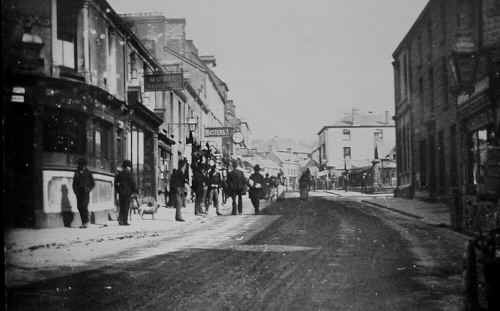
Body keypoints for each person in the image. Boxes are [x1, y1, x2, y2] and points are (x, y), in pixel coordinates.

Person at [72, 158, 95, 228]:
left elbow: (93, 183)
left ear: (85, 165)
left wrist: (88, 189)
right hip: (79, 193)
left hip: (85, 192)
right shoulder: (77, 172)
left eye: (83, 165)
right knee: (79, 207)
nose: (81, 167)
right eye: (80, 165)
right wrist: (75, 191)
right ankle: (84, 222)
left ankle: (86, 222)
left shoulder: (88, 172)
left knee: (84, 206)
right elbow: (74, 183)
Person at [115, 160, 137, 226]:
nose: (130, 168)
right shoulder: (129, 174)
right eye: (130, 166)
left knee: (121, 207)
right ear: (128, 167)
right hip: (127, 193)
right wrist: (135, 191)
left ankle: (120, 220)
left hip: (121, 193)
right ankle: (124, 221)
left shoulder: (120, 174)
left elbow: (115, 183)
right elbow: (133, 183)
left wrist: (118, 190)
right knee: (126, 207)